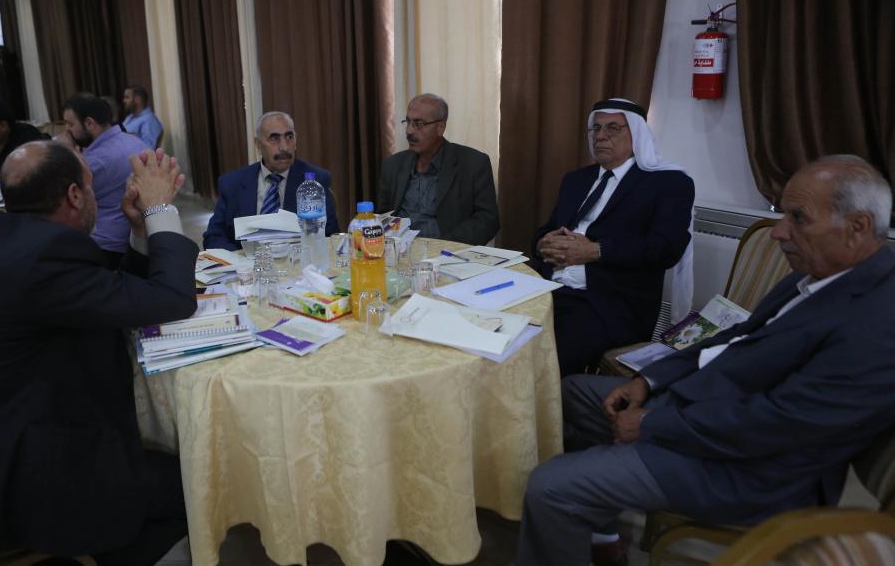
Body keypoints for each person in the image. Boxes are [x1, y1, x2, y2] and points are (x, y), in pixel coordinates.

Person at [516, 154, 895, 566]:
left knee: (550, 487)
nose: (778, 232)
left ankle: (577, 502)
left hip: (746, 469)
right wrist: (648, 381)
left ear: (857, 227)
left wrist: (651, 423)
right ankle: (600, 531)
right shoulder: (819, 274)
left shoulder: (878, 321)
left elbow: (780, 423)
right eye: (783, 214)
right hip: (710, 410)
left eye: (798, 218)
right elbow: (734, 338)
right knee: (572, 392)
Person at [0, 141, 196, 564]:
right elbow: (173, 299)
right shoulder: (41, 260)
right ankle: (104, 546)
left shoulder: (18, 241)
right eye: (90, 185)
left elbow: (113, 300)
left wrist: (139, 231)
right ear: (75, 195)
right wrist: (159, 210)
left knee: (161, 469)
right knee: (195, 481)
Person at [531, 98, 694, 376]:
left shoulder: (669, 183)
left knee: (543, 360)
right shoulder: (576, 180)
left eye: (613, 128)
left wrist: (596, 251)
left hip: (607, 302)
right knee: (494, 332)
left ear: (637, 133)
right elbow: (547, 229)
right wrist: (541, 243)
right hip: (545, 288)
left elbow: (666, 248)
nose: (601, 136)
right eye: (596, 128)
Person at [203, 110, 340, 250]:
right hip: (246, 261)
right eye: (274, 138)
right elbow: (214, 237)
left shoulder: (315, 181)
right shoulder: (233, 184)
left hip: (298, 261)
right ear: (258, 145)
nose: (284, 147)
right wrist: (242, 258)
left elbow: (330, 237)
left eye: (289, 137)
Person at [377, 93, 500, 244]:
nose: (409, 131)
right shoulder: (393, 165)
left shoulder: (473, 164)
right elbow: (383, 215)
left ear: (440, 127)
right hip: (399, 250)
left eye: (418, 124)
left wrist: (445, 245)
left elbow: (487, 220)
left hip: (446, 250)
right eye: (408, 122)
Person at [62, 92, 151, 269]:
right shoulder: (134, 141)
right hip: (141, 238)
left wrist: (65, 153)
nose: (67, 131)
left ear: (89, 123)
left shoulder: (95, 161)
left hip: (107, 247)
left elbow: (61, 196)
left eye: (70, 124)